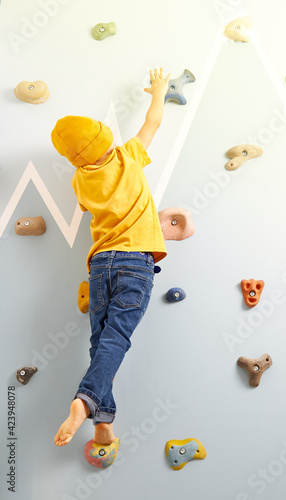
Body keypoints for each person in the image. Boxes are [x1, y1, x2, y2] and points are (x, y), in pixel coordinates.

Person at [51, 68, 170, 455]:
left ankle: (104, 424)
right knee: (114, 339)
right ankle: (85, 402)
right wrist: (160, 91)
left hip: (101, 266)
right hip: (135, 263)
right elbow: (153, 122)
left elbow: (88, 205)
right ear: (107, 138)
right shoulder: (129, 156)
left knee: (104, 342)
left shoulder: (80, 181)